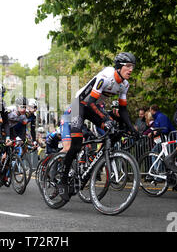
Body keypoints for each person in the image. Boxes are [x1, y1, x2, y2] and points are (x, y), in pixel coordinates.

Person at [58, 52, 139, 201]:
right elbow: (89, 102)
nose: (131, 69)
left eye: (132, 66)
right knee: (76, 145)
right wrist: (104, 118)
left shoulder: (124, 85)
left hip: (92, 107)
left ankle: (93, 167)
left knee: (114, 132)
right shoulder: (106, 77)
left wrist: (131, 128)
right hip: (80, 106)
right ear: (119, 67)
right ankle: (63, 179)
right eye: (128, 66)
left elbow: (123, 110)